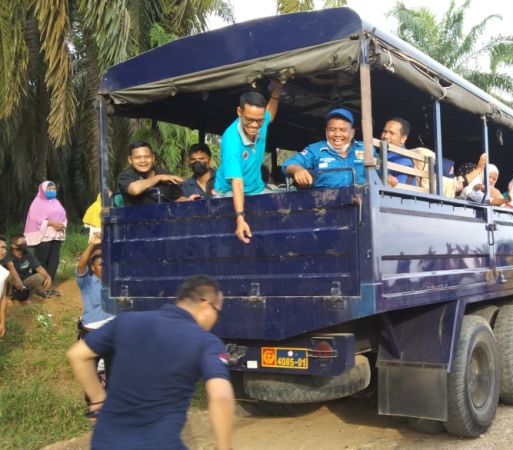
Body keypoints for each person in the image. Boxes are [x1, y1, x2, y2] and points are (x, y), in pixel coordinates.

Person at [66, 275, 234, 450]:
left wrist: (97, 398)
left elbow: (77, 355)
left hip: (106, 442)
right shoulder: (206, 342)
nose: (216, 318)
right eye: (217, 311)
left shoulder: (127, 321)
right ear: (205, 304)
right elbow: (221, 396)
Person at [215, 82, 283, 245]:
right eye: (249, 120)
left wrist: (276, 92)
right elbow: (237, 183)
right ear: (239, 112)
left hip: (256, 188)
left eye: (258, 121)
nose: (254, 125)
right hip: (230, 192)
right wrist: (239, 217)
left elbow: (270, 115)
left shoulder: (261, 121)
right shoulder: (231, 140)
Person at [283, 107, 374, 190]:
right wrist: (297, 170)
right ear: (326, 131)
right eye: (332, 130)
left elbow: (383, 172)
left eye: (343, 130)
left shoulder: (366, 149)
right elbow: (288, 164)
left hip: (363, 204)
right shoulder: (315, 150)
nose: (337, 134)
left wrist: (388, 176)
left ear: (352, 132)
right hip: (324, 204)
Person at [24, 181, 67, 290]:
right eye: (49, 189)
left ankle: (50, 283)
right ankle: (38, 284)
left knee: (54, 260)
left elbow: (63, 216)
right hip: (43, 236)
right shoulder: (37, 203)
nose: (52, 190)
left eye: (53, 188)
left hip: (56, 235)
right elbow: (34, 219)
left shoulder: (56, 202)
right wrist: (51, 223)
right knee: (41, 261)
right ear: (43, 190)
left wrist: (61, 225)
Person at [117, 141, 184, 206]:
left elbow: (177, 198)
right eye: (137, 157)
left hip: (165, 216)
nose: (143, 161)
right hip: (136, 216)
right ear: (130, 160)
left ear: (153, 158)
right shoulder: (125, 176)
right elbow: (135, 190)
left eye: (147, 157)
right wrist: (158, 178)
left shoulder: (165, 174)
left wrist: (189, 200)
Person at [76, 232, 114, 331]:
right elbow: (81, 265)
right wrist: (92, 244)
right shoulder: (87, 282)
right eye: (101, 265)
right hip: (93, 327)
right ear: (92, 267)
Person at [2, 234, 52, 301]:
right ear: (13, 245)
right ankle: (8, 296)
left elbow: (39, 268)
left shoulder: (28, 254)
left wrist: (48, 277)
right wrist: (18, 281)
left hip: (24, 281)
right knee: (9, 276)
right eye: (22, 243)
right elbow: (11, 268)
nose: (24, 244)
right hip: (12, 283)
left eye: (25, 242)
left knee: (41, 276)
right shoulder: (8, 254)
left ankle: (26, 296)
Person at [380, 117, 416, 187]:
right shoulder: (381, 156)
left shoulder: (404, 162)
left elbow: (398, 193)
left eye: (391, 133)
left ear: (403, 139)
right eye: (384, 131)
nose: (386, 136)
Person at [0, 235, 9, 337]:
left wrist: (2, 322)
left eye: (5, 248)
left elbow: (3, 298)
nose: (4, 251)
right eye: (1, 247)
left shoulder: (4, 273)